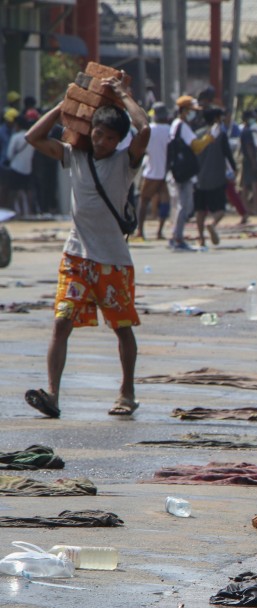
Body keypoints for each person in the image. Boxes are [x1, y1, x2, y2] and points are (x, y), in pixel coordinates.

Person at [22, 72, 150, 418]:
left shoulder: (126, 163)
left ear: (119, 141)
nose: (101, 141)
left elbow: (145, 130)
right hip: (76, 255)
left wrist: (122, 94)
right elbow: (33, 136)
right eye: (97, 132)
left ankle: (127, 391)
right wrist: (68, 103)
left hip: (113, 261)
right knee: (61, 323)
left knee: (122, 328)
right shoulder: (74, 156)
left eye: (109, 137)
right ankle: (52, 394)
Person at [168, 95, 213, 250]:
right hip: (184, 172)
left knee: (178, 205)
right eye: (192, 111)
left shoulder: (175, 124)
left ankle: (175, 236)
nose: (194, 114)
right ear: (185, 111)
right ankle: (178, 239)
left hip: (176, 170)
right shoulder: (183, 126)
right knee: (184, 205)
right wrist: (209, 138)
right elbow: (197, 147)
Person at [193, 107, 234, 247]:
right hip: (216, 178)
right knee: (220, 210)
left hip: (199, 178)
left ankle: (201, 238)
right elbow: (228, 155)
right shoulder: (220, 135)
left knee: (200, 210)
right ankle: (212, 223)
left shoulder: (198, 134)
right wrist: (233, 170)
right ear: (216, 118)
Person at [138, 102, 171, 240]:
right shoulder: (170, 130)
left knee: (143, 201)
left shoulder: (149, 129)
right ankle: (160, 231)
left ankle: (140, 231)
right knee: (165, 201)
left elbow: (143, 149)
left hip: (151, 172)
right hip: (166, 173)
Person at [5, 115, 35, 216]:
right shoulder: (31, 137)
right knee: (27, 191)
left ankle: (14, 213)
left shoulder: (16, 137)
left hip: (16, 167)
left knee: (13, 191)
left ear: (18, 125)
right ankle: (29, 212)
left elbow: (9, 154)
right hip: (28, 169)